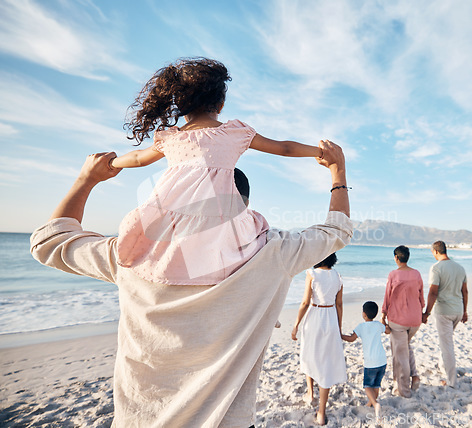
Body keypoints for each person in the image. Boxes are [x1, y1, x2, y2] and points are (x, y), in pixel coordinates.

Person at [30, 139, 352, 427]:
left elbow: (50, 242)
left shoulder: (131, 255)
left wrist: (87, 179)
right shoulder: (273, 253)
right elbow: (336, 231)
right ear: (244, 204)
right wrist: (338, 173)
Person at [109, 57, 323, 286]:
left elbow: (138, 158)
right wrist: (321, 152)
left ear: (181, 106)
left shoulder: (171, 137)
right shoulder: (234, 133)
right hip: (216, 214)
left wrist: (111, 163)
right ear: (221, 105)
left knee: (164, 256)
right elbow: (285, 148)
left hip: (171, 211)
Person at [291, 252, 346, 426]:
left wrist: (296, 324)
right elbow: (339, 304)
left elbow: (305, 302)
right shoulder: (338, 276)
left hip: (314, 317)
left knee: (309, 354)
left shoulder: (311, 274)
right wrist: (338, 327)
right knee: (326, 364)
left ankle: (310, 393)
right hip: (330, 318)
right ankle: (321, 412)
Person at [423, 240, 468, 388]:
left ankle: (451, 382)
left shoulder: (436, 268)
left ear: (436, 251)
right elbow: (465, 291)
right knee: (447, 341)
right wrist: (465, 311)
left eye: (432, 252)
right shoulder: (460, 268)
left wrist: (427, 313)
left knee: (447, 346)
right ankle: (443, 366)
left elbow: (433, 292)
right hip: (458, 311)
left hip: (444, 312)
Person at [381, 245, 425, 398]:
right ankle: (415, 376)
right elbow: (421, 299)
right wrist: (422, 313)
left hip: (398, 320)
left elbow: (387, 297)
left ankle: (404, 391)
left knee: (399, 357)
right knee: (405, 347)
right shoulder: (417, 274)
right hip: (415, 320)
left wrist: (383, 315)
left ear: (396, 258)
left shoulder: (393, 275)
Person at [342, 301, 390, 419]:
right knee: (376, 385)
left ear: (364, 314)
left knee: (367, 386)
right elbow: (388, 331)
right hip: (382, 361)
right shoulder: (379, 325)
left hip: (371, 362)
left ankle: (375, 404)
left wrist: (340, 335)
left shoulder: (361, 327)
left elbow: (351, 339)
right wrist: (385, 323)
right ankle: (370, 403)